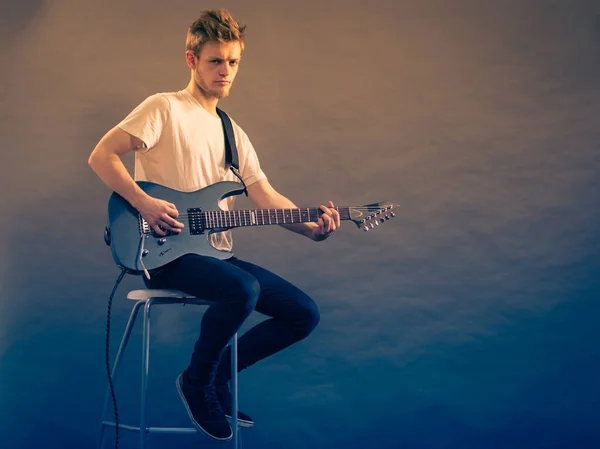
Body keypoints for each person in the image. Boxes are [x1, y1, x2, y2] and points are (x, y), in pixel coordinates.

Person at [88, 8, 340, 442]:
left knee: (304, 313)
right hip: (166, 250)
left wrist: (311, 228)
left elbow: (265, 196)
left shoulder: (231, 131)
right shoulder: (164, 107)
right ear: (192, 60)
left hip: (216, 253)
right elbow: (101, 155)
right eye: (215, 61)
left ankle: (219, 376)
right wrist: (145, 203)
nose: (226, 71)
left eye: (233, 62)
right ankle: (197, 383)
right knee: (243, 289)